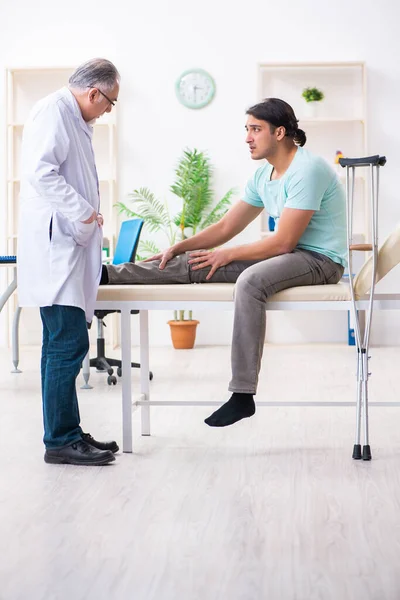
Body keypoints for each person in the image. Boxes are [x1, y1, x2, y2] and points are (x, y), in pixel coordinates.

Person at [101, 98, 347, 428]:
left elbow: (284, 242)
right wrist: (178, 247)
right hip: (290, 256)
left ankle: (242, 395)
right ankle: (105, 275)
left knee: (250, 281)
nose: (248, 137)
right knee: (200, 262)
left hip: (321, 261)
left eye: (255, 129)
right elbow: (226, 227)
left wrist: (228, 253)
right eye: (247, 129)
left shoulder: (308, 170)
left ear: (280, 133)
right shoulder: (264, 175)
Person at [18, 58, 121, 465]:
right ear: (93, 93)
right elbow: (41, 174)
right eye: (109, 102)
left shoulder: (72, 117)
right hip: (55, 250)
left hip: (66, 248)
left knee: (60, 345)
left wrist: (86, 215)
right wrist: (83, 212)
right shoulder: (53, 111)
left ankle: (67, 433)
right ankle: (60, 439)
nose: (109, 110)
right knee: (68, 344)